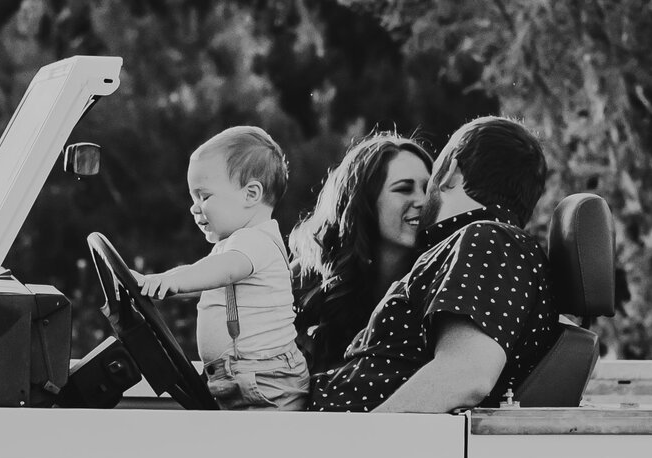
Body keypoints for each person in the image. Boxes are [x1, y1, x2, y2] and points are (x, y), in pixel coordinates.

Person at [312, 116, 558, 414]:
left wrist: (359, 445)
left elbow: (467, 375)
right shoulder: (474, 245)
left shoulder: (489, 239)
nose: (421, 194)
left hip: (346, 448)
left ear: (450, 171)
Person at [137, 125, 309, 410]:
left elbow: (218, 271)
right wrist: (153, 286)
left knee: (267, 452)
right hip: (243, 378)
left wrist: (170, 279)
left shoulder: (256, 242)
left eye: (203, 197)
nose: (194, 208)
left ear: (251, 194)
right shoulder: (233, 245)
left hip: (268, 381)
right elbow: (203, 279)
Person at [290, 131, 433, 377]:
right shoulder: (303, 283)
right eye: (404, 189)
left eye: (428, 189)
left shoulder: (437, 284)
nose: (422, 200)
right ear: (362, 201)